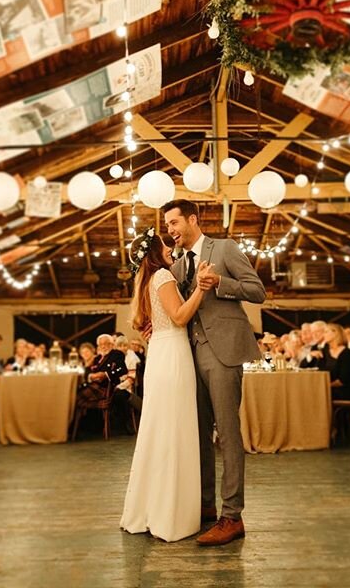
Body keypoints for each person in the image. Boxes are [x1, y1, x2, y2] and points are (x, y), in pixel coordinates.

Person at [156, 199, 265, 546]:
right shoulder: (175, 266)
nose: (170, 230)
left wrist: (220, 281)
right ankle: (204, 506)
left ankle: (232, 516)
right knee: (198, 433)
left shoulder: (225, 248)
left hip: (224, 351)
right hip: (190, 354)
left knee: (228, 434)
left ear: (192, 219)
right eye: (167, 226)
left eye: (174, 223)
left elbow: (257, 291)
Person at [120, 227, 213, 542]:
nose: (170, 247)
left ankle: (152, 506)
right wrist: (200, 289)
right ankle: (171, 514)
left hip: (160, 352)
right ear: (154, 253)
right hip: (173, 352)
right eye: (164, 244)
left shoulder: (147, 281)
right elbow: (180, 317)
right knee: (174, 428)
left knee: (159, 429)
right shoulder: (162, 277)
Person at [323, 323, 350, 400]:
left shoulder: (346, 353)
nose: (324, 335)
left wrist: (326, 386)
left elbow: (343, 380)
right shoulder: (325, 351)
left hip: (343, 391)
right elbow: (319, 370)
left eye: (326, 332)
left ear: (335, 333)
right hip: (330, 388)